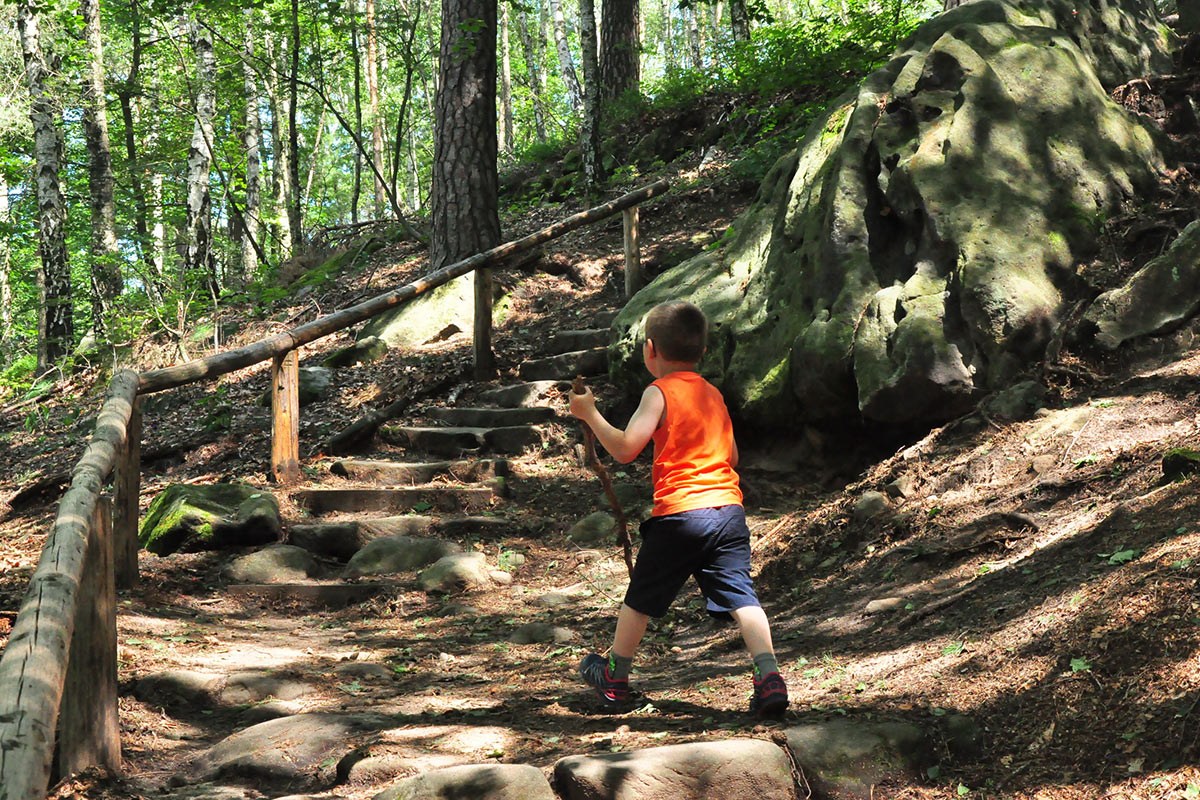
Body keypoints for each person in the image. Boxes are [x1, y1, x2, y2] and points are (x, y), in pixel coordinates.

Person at [568, 300, 788, 718]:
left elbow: (626, 448)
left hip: (681, 513)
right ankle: (769, 676)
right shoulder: (713, 394)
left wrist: (591, 414)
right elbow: (733, 456)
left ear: (650, 349)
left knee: (641, 598)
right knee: (743, 596)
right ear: (702, 352)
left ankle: (614, 678)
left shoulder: (658, 392)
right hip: (727, 511)